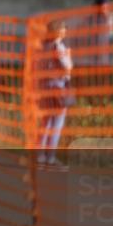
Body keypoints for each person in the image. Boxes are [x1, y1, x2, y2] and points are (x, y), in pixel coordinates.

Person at [37, 20, 74, 166]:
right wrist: (68, 55)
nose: (65, 30)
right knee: (57, 123)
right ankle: (50, 158)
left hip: (46, 86)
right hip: (58, 86)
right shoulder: (58, 46)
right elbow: (67, 67)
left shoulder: (44, 46)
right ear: (58, 30)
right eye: (63, 27)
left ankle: (39, 156)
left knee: (46, 122)